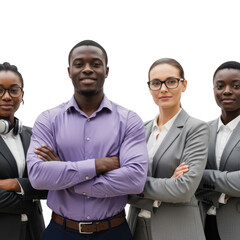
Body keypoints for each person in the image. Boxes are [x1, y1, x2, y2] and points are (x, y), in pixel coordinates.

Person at [26, 40, 149, 240]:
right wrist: (98, 164)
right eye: (79, 64)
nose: (87, 69)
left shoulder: (129, 120)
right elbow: (38, 176)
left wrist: (68, 179)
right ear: (69, 71)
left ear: (106, 70)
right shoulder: (48, 120)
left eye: (95, 64)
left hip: (114, 232)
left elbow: (134, 179)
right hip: (61, 232)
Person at [127, 58, 209, 240]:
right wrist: (167, 184)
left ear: (184, 84)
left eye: (171, 81)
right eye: (156, 83)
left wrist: (133, 184)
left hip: (177, 229)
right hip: (136, 228)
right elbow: (118, 185)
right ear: (150, 88)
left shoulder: (196, 129)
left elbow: (184, 189)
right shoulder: (139, 130)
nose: (163, 89)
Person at [0, 62, 47, 240]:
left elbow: (52, 185)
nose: (6, 97)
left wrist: (15, 184)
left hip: (34, 232)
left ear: (22, 94)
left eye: (13, 90)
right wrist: (30, 199)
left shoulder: (34, 135)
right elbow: (41, 186)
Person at [196, 61, 240, 240]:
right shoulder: (201, 130)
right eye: (220, 86)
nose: (227, 91)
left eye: (236, 86)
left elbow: (194, 178)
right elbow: (185, 181)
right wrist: (228, 184)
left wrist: (201, 176)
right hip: (201, 225)